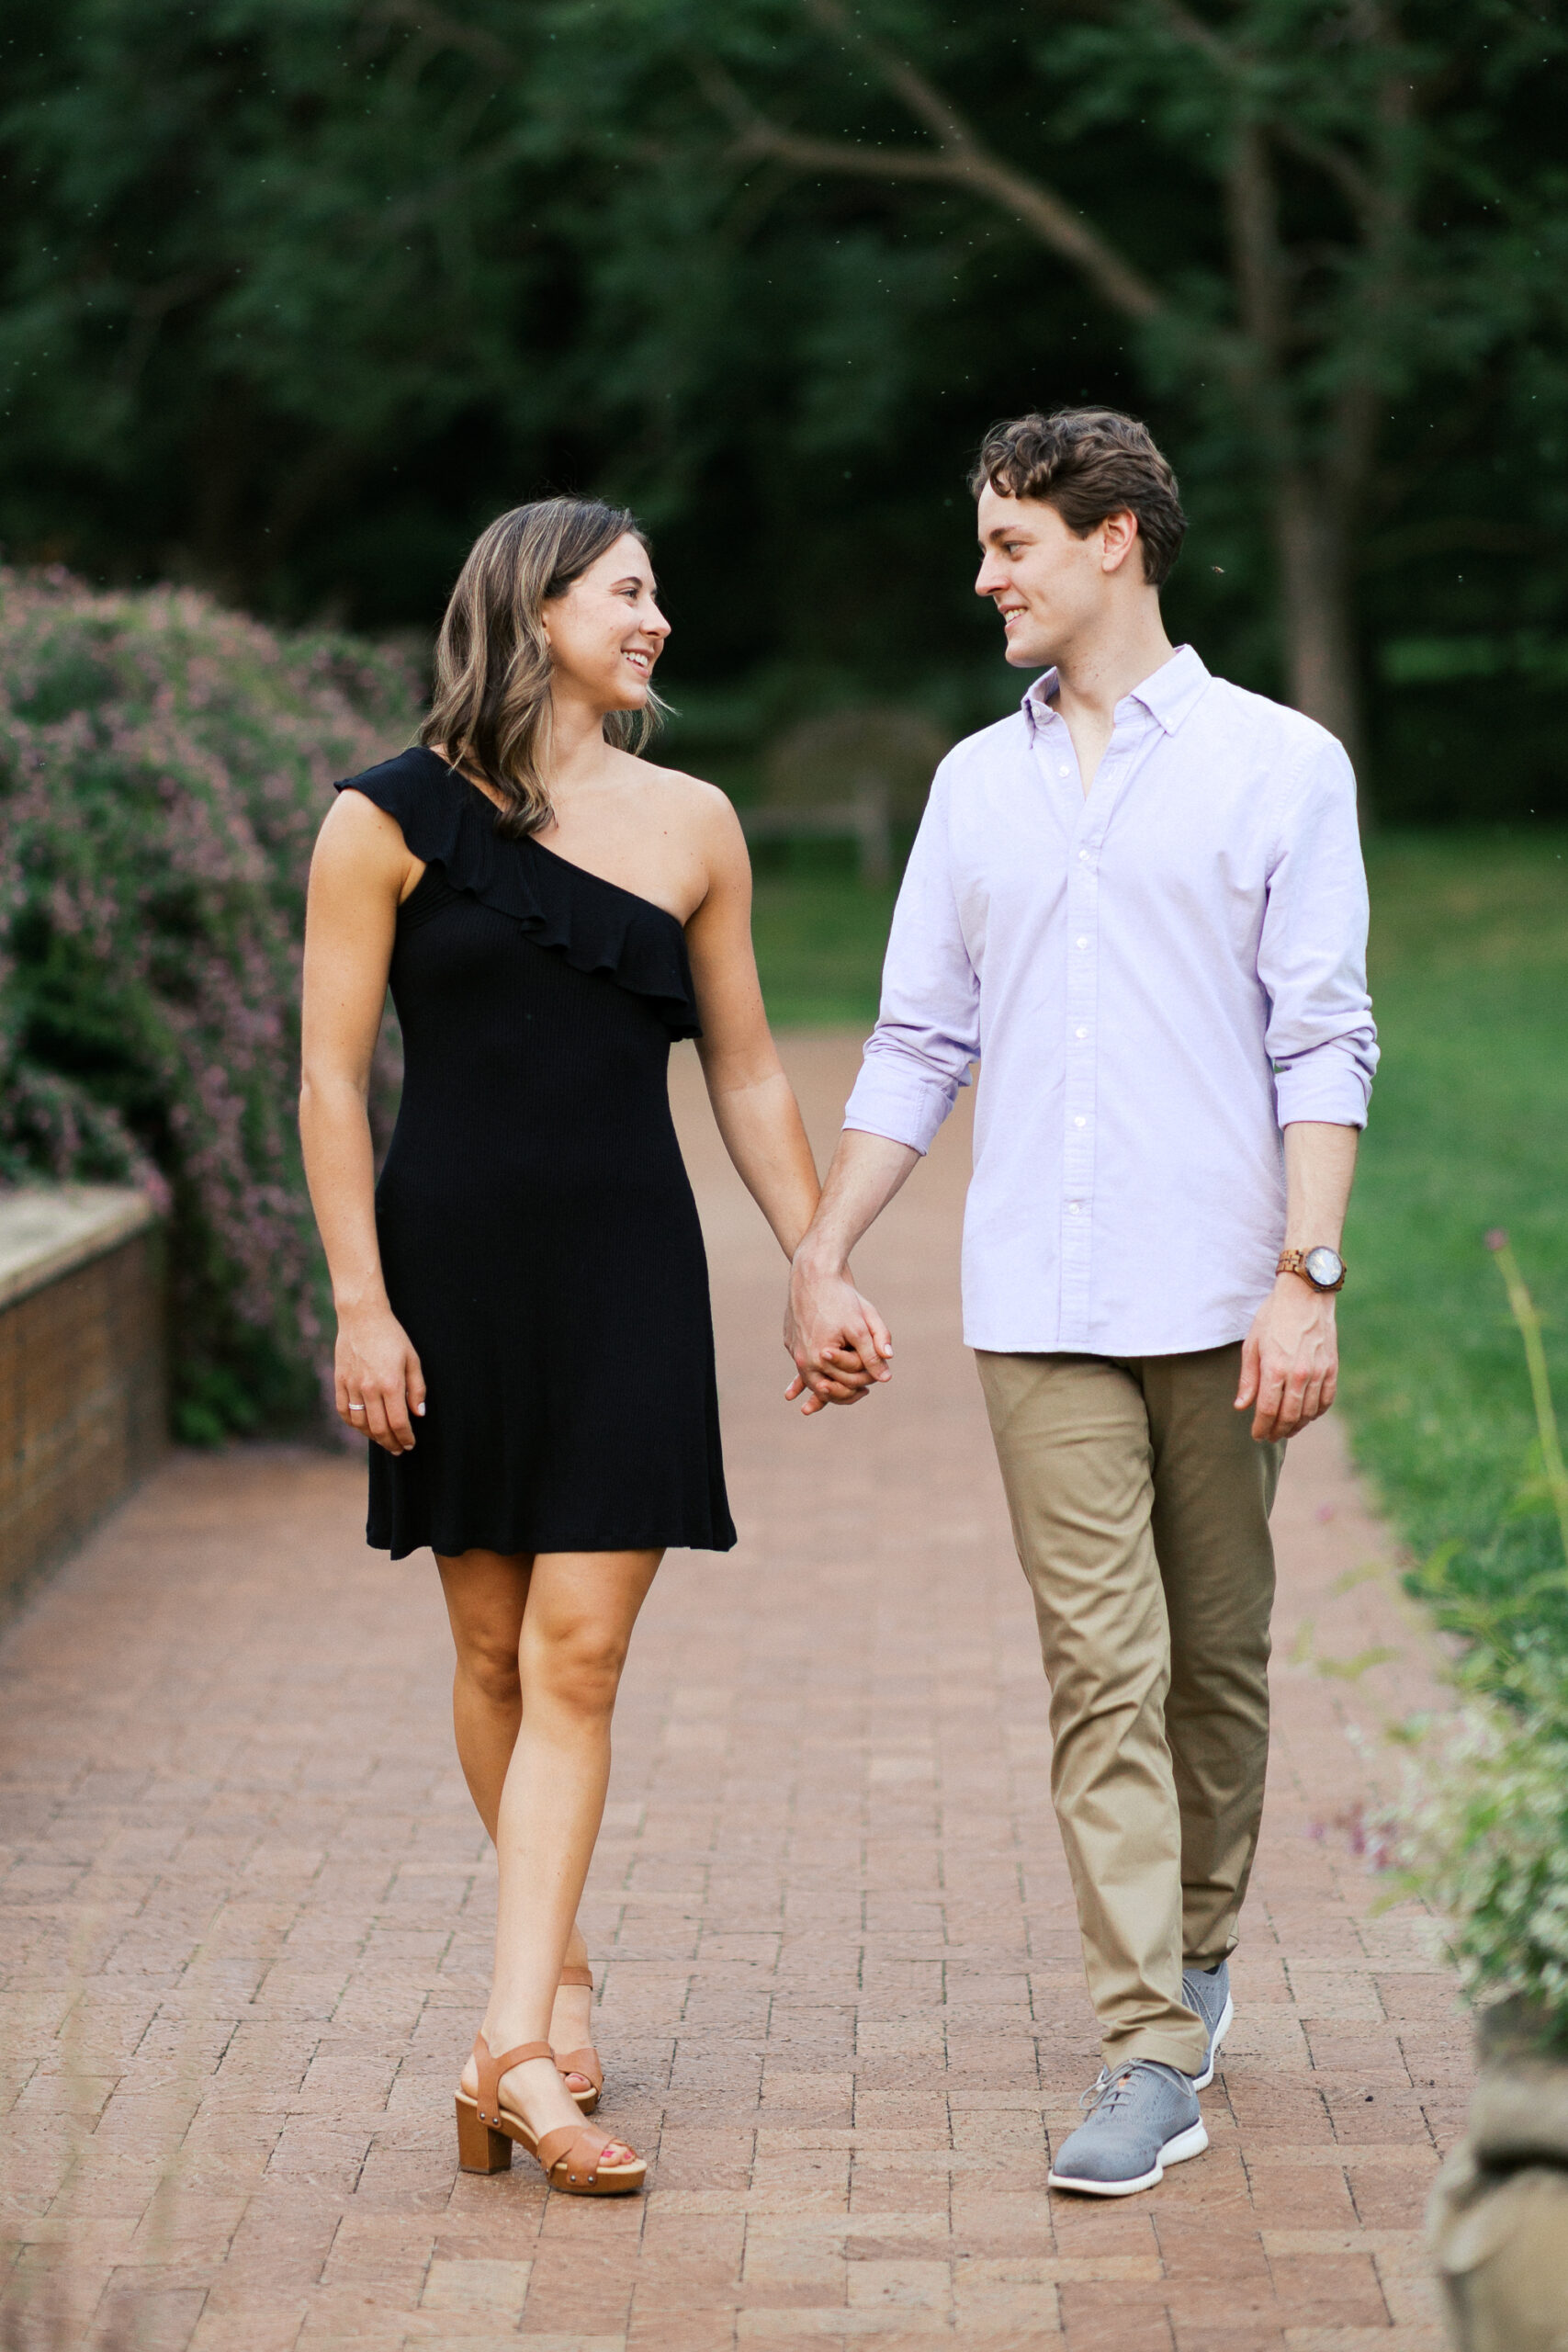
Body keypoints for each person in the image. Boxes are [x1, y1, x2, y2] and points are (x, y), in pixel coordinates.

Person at [784, 409, 1378, 2198]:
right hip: (1032, 1301)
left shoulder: (1279, 766)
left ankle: (1194, 1962)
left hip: (1219, 1292)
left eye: (1009, 544)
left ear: (1110, 536)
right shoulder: (977, 783)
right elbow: (917, 1034)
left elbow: (1319, 1032)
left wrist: (1302, 1275)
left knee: (1214, 1656)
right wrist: (825, 1245)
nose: (985, 578)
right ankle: (1144, 2043)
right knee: (1098, 1670)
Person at [299, 495, 835, 2197]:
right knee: (489, 1653)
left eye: (659, 593)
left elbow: (744, 1069)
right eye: (626, 592)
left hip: (624, 1276)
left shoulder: (695, 826)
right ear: (534, 609)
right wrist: (359, 1302)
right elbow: (327, 1082)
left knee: (580, 1655)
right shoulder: (378, 820)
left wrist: (815, 1257)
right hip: (449, 1276)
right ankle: (562, 1978)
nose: (655, 618)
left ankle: (511, 2047)